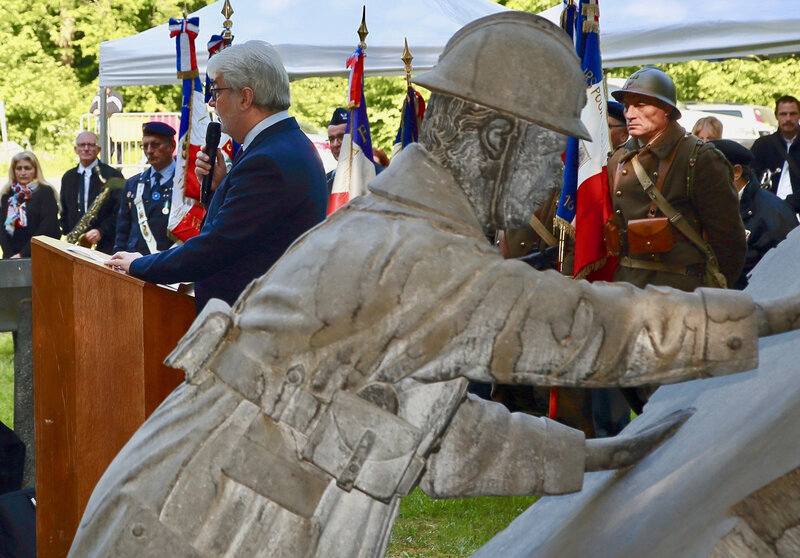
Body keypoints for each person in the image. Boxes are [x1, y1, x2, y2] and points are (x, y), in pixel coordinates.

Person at [70, 14, 800, 558]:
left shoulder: (404, 235)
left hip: (212, 510)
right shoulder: (416, 252)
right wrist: (771, 316)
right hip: (197, 527)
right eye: (551, 151)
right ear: (493, 142)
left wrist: (588, 456)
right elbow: (583, 329)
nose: (556, 180)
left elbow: (427, 432)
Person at [105, 41, 327, 313]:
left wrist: (138, 265)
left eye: (216, 91)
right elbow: (252, 229)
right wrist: (223, 185)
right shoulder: (283, 144)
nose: (211, 102)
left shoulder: (267, 160)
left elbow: (216, 247)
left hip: (253, 323)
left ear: (245, 98)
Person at [608, 67, 746, 293]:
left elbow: (729, 242)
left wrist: (713, 294)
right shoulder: (619, 159)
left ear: (666, 109)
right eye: (626, 106)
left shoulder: (699, 158)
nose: (630, 114)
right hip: (628, 290)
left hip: (682, 294)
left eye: (640, 105)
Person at [711, 139, 798, 289]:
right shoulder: (710, 204)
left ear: (736, 172)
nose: (702, 177)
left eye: (709, 170)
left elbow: (785, 272)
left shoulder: (773, 214)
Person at [113, 122, 177, 255]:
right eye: (145, 146)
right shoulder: (133, 183)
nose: (149, 151)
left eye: (155, 145)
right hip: (135, 260)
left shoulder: (185, 183)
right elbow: (123, 229)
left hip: (168, 259)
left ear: (172, 146)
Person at [59, 131, 124, 254]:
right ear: (76, 149)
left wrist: (101, 231)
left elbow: (120, 210)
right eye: (82, 145)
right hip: (75, 244)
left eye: (91, 145)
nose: (86, 148)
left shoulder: (113, 175)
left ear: (98, 149)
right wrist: (68, 231)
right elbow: (64, 210)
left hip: (105, 244)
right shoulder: (68, 177)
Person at [0, 152, 59, 259]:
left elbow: (47, 227)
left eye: (27, 168)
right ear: (13, 171)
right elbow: (2, 231)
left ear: (35, 170)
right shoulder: (6, 195)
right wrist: (11, 257)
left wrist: (22, 254)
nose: (23, 172)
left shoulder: (45, 192)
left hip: (39, 254)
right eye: (19, 168)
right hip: (11, 258)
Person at [750, 95, 800, 213]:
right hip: (769, 212)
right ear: (776, 115)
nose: (788, 119)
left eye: (792, 114)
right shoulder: (762, 145)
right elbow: (751, 180)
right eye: (783, 114)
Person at [325, 107, 383, 194]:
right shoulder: (326, 180)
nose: (335, 144)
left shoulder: (381, 176)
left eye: (342, 137)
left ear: (357, 139)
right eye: (331, 139)